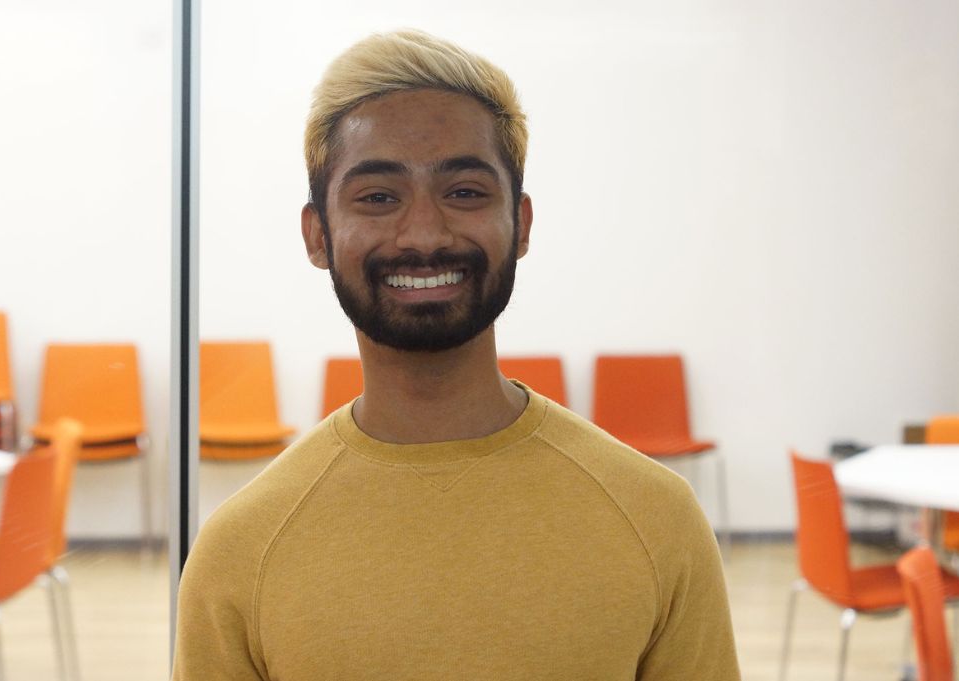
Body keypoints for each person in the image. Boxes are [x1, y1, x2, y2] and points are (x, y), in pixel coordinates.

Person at [172, 29, 740, 680]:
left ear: (520, 224)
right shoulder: (238, 550)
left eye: (465, 191)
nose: (423, 233)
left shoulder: (657, 520)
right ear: (317, 234)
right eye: (378, 196)